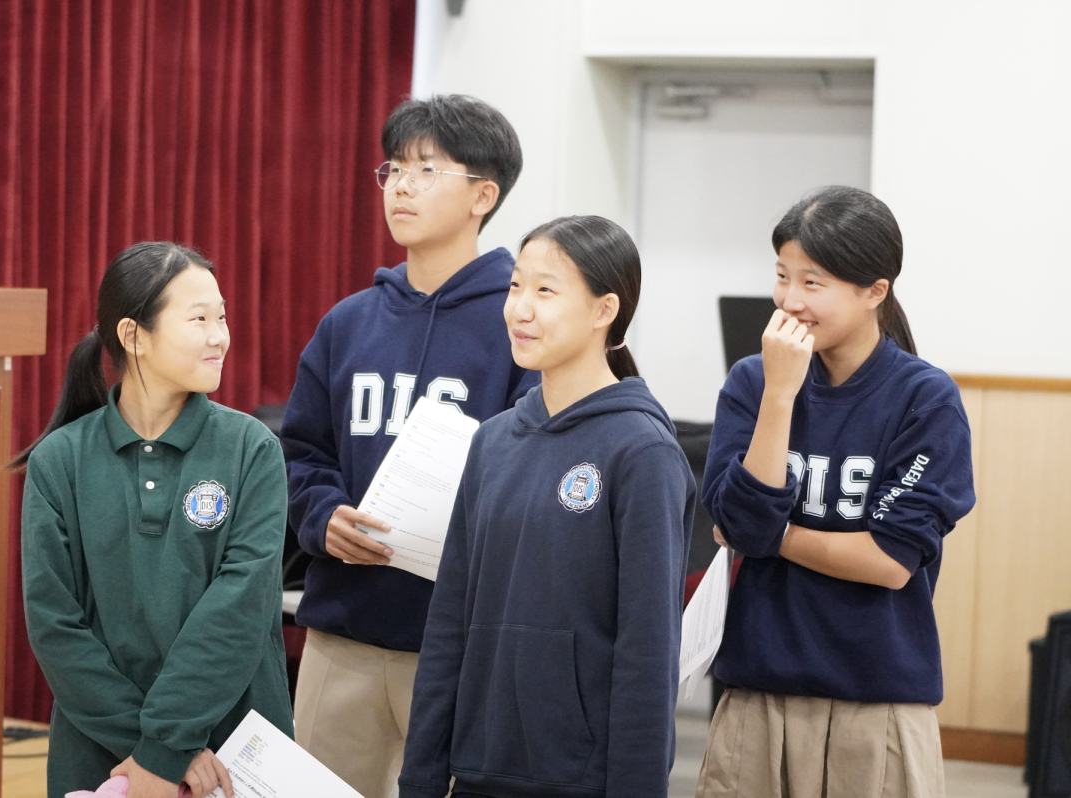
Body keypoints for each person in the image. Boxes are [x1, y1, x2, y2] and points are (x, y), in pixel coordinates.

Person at [279, 94, 535, 798]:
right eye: (392, 169)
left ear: (484, 195)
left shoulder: (521, 324)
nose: (400, 186)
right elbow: (302, 452)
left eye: (426, 170)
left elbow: (534, 471)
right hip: (342, 636)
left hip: (459, 642)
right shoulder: (348, 322)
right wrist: (322, 515)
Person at [398, 215, 695, 798]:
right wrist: (422, 778)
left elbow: (648, 655)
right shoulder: (493, 440)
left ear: (604, 310)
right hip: (478, 769)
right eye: (515, 287)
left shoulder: (642, 452)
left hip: (580, 778)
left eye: (545, 290)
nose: (520, 309)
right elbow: (449, 626)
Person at [697, 186, 976, 797]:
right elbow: (738, 527)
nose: (789, 301)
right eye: (782, 276)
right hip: (757, 693)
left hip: (875, 702)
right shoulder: (754, 381)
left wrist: (774, 533)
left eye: (813, 283)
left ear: (875, 291)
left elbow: (888, 561)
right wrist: (779, 395)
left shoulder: (925, 399)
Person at [17, 242, 293, 798]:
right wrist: (148, 753)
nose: (221, 336)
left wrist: (164, 748)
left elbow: (237, 613)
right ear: (133, 335)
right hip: (103, 753)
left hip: (233, 749)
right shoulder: (60, 460)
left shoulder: (252, 449)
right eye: (200, 319)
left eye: (222, 317)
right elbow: (55, 624)